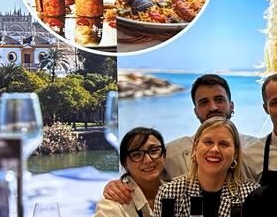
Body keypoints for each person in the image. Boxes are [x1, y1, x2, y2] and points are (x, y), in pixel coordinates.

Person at [102, 73, 249, 204]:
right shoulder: (171, 152)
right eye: (204, 102)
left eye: (219, 99)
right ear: (196, 111)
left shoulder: (256, 148)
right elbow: (139, 178)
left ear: (231, 105)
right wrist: (116, 186)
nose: (213, 107)